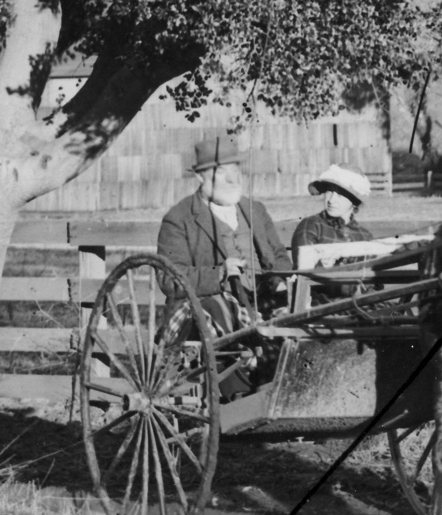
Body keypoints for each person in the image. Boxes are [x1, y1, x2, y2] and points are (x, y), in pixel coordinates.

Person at [157, 137, 293, 397]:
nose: (233, 179)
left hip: (261, 300)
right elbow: (168, 277)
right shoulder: (180, 219)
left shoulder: (255, 210)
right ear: (201, 177)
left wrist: (280, 277)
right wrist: (219, 273)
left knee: (298, 315)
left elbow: (279, 255)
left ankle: (280, 389)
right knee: (221, 310)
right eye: (222, 172)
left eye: (236, 170)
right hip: (210, 306)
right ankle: (239, 398)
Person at [291, 163, 374, 303]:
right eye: (329, 191)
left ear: (354, 201)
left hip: (357, 305)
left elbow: (370, 282)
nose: (331, 200)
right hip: (318, 304)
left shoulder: (364, 236)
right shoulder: (311, 226)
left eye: (341, 194)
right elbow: (306, 274)